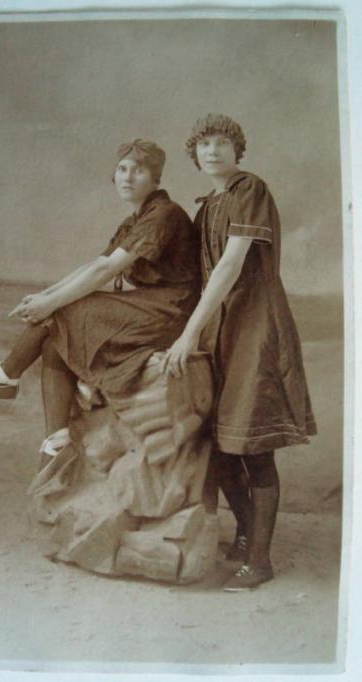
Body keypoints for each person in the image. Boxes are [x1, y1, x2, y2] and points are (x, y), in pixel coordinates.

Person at [0, 139, 201, 467]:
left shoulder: (163, 214)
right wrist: (46, 296)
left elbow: (106, 270)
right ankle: (56, 442)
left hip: (171, 310)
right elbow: (93, 264)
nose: (127, 177)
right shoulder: (138, 217)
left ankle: (5, 379)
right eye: (122, 170)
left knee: (64, 311)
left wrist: (52, 303)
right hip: (151, 303)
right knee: (57, 336)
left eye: (138, 171)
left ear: (155, 179)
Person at [162, 114, 317, 591]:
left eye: (223, 142)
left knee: (253, 444)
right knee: (220, 444)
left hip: (255, 326)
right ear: (194, 154)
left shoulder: (250, 189)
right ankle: (247, 535)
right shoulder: (209, 204)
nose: (213, 151)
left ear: (237, 150)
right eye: (204, 144)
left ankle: (262, 562)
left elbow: (230, 266)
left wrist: (189, 334)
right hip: (221, 328)